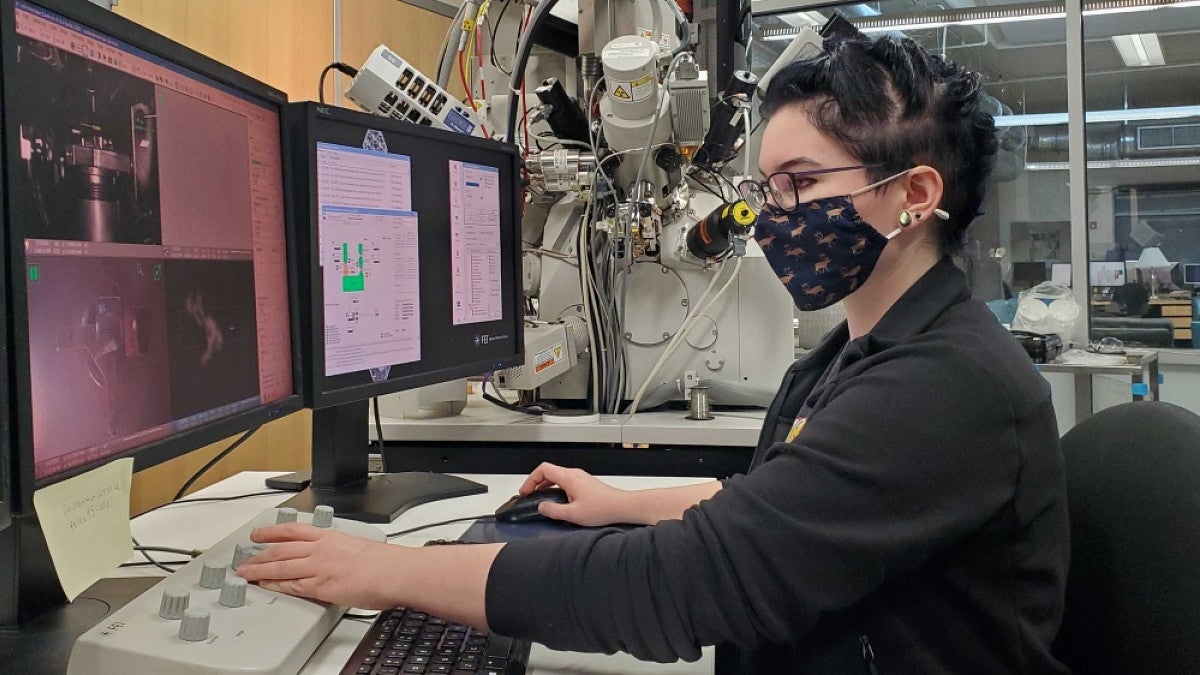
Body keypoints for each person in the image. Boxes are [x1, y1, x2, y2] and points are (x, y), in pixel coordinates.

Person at [238, 35, 1069, 673]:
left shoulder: (944, 387)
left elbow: (688, 582)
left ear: (916, 195)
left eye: (801, 185)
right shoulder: (863, 348)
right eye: (766, 189)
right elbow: (775, 502)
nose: (773, 215)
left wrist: (389, 573)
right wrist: (617, 501)